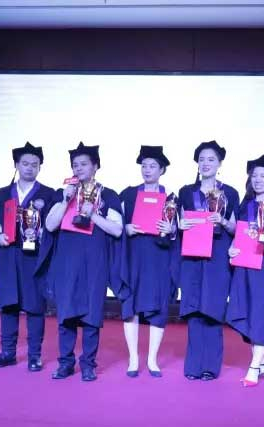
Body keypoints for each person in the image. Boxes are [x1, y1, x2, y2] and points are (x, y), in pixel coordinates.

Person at [42, 142, 126, 382]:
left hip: (94, 261)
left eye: (84, 164)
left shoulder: (107, 195)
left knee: (91, 312)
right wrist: (65, 200)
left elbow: (117, 230)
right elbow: (50, 225)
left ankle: (88, 364)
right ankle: (65, 363)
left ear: (95, 166)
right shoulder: (64, 194)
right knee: (66, 312)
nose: (78, 168)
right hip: (67, 261)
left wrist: (94, 214)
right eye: (75, 165)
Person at [0, 142, 55, 372]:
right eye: (25, 163)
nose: (29, 168)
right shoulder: (2, 193)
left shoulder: (48, 194)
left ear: (40, 168)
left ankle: (34, 355)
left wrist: (40, 234)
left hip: (34, 257)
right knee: (9, 304)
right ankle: (8, 352)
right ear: (16, 165)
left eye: (34, 164)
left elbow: (51, 224)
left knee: (35, 306)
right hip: (7, 254)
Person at [178, 140, 239, 381]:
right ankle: (193, 366)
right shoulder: (186, 192)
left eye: (211, 159)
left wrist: (222, 221)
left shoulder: (230, 193)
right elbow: (179, 221)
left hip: (217, 255)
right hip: (192, 256)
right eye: (202, 159)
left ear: (219, 163)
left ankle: (210, 367)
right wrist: (181, 225)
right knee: (194, 310)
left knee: (212, 309)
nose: (206, 163)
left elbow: (235, 227)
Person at [119, 145, 176, 378]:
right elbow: (117, 224)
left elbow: (177, 229)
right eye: (144, 166)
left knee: (158, 305)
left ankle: (152, 359)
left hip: (158, 258)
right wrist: (126, 229)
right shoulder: (128, 194)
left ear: (162, 170)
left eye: (153, 166)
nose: (147, 170)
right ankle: (133, 358)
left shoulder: (171, 197)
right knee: (130, 305)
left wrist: (171, 230)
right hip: (134, 256)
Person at [227, 153, 264, 387]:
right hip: (244, 265)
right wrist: (232, 248)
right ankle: (260, 363)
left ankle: (253, 368)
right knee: (248, 312)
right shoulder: (245, 205)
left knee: (261, 314)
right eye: (255, 175)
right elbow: (239, 233)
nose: (258, 180)